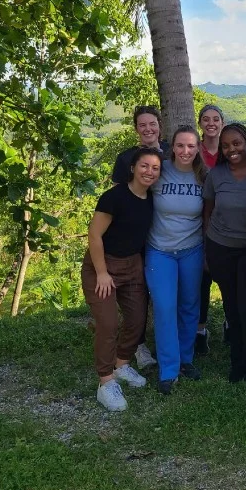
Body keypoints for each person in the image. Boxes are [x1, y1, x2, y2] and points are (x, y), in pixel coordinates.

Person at [82, 148, 162, 411]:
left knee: (137, 320)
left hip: (133, 265)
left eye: (155, 168)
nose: (149, 171)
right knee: (108, 324)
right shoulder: (113, 197)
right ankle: (106, 382)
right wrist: (102, 272)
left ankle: (122, 364)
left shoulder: (151, 199)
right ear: (132, 168)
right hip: (102, 265)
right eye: (144, 166)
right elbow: (94, 236)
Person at [203, 123, 246, 389]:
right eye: (226, 145)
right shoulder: (216, 174)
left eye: (236, 143)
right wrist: (207, 247)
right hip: (221, 248)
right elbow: (208, 212)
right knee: (232, 308)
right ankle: (238, 363)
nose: (232, 149)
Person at [145, 126, 206, 395]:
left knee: (189, 306)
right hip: (160, 250)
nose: (185, 151)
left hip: (192, 249)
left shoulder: (204, 175)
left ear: (198, 148)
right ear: (173, 148)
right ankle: (168, 369)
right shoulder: (160, 171)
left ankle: (186, 359)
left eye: (191, 146)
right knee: (164, 306)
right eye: (180, 146)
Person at [112, 104, 169, 370]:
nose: (148, 129)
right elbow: (117, 199)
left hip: (169, 233)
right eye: (142, 125)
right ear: (136, 129)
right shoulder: (126, 159)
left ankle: (168, 341)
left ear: (160, 125)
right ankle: (139, 345)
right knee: (138, 292)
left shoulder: (172, 152)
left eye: (152, 123)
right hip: (138, 234)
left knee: (164, 292)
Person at [196, 103, 225, 355]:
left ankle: (231, 323)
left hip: (227, 221)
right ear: (200, 124)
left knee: (230, 279)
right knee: (202, 279)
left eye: (216, 119)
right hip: (199, 217)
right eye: (206, 119)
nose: (211, 123)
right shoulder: (196, 152)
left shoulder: (228, 151)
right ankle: (200, 330)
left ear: (222, 123)